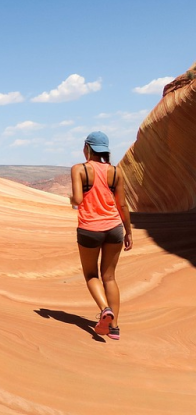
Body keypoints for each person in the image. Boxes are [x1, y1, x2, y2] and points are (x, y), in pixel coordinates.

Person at [69, 131, 132, 339]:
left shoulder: (79, 169)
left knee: (91, 275)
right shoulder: (116, 172)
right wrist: (128, 231)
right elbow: (122, 204)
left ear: (87, 147)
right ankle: (114, 328)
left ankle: (105, 309)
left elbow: (78, 199)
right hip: (114, 227)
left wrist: (72, 198)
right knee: (110, 277)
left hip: (89, 229)